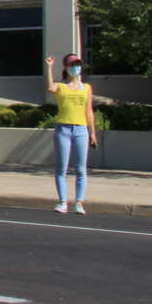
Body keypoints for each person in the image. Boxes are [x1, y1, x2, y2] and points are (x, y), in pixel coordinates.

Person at [45, 54, 97, 214]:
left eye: (79, 65)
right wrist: (49, 67)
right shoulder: (61, 86)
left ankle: (79, 203)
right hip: (63, 129)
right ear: (67, 68)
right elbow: (50, 87)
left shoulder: (86, 88)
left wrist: (92, 133)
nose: (77, 68)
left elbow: (89, 111)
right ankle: (62, 202)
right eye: (73, 65)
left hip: (80, 129)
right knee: (62, 168)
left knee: (81, 169)